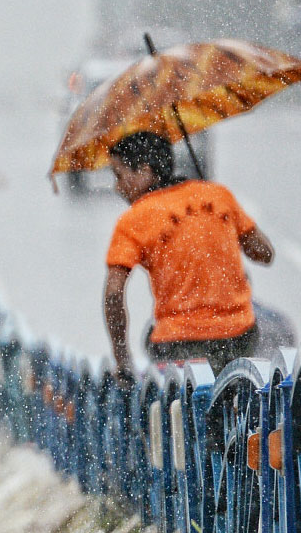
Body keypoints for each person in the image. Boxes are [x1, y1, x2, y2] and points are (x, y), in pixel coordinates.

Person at [103, 130, 275, 375]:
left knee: (152, 345)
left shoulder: (134, 219)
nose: (117, 187)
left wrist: (122, 360)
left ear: (144, 171)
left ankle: (174, 410)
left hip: (179, 344)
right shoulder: (218, 195)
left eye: (119, 176)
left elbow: (113, 294)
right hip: (238, 337)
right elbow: (265, 253)